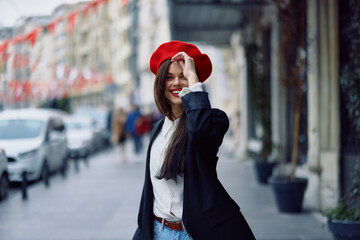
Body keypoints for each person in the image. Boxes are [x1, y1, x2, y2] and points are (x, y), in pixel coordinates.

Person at [133, 41, 255, 240]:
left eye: (183, 76)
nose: (176, 83)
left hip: (196, 233)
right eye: (169, 77)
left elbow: (200, 130)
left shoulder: (213, 121)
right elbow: (150, 190)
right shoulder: (157, 129)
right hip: (158, 231)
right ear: (161, 83)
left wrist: (193, 79)